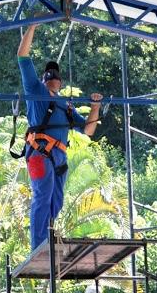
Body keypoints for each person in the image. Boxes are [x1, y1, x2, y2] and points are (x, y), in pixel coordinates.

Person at [17, 24, 102, 250]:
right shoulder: (36, 90)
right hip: (39, 153)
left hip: (59, 159)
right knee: (42, 197)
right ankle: (38, 247)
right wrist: (32, 28)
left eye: (56, 76)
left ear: (61, 82)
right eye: (49, 75)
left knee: (56, 203)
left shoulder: (65, 105)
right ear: (45, 79)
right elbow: (22, 57)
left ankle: (48, 240)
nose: (53, 77)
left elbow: (88, 131)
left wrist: (95, 107)